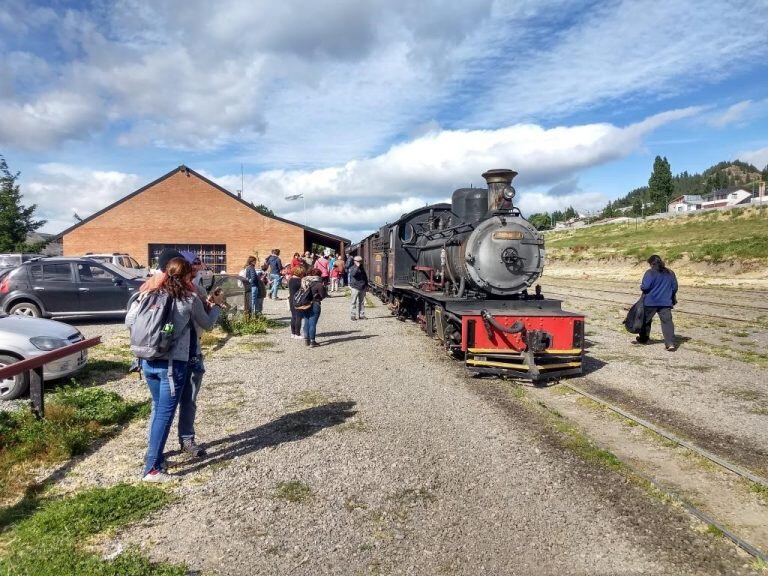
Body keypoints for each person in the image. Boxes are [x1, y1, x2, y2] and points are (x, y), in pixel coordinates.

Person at [127, 257, 225, 481]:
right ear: (187, 276)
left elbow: (130, 322)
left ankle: (154, 457)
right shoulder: (188, 298)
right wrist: (217, 306)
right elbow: (207, 324)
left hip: (147, 360)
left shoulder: (149, 294)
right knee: (164, 414)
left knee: (158, 410)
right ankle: (152, 469)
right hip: (173, 365)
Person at [635, 254, 678, 351]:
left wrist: (641, 286)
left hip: (651, 301)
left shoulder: (650, 273)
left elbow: (645, 287)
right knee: (667, 322)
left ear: (651, 263)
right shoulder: (670, 273)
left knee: (645, 320)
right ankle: (670, 343)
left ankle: (643, 339)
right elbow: (674, 287)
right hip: (665, 302)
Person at [300, 267, 326, 347]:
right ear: (318, 275)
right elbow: (323, 295)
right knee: (312, 323)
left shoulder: (304, 282)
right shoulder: (318, 284)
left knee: (306, 322)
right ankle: (312, 341)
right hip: (315, 304)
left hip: (304, 304)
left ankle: (306, 340)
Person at [348, 255, 369, 320]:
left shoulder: (362, 268)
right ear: (355, 261)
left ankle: (361, 315)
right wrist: (357, 266)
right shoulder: (352, 268)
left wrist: (366, 285)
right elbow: (353, 274)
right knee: (353, 302)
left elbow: (365, 277)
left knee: (362, 302)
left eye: (361, 261)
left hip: (362, 287)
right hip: (355, 287)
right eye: (359, 261)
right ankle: (353, 315)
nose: (360, 262)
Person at [288, 266, 306, 339]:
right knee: (299, 317)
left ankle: (293, 333)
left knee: (293, 316)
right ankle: (297, 334)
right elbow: (304, 290)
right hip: (298, 300)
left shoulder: (291, 279)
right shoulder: (300, 281)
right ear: (300, 273)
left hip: (291, 299)